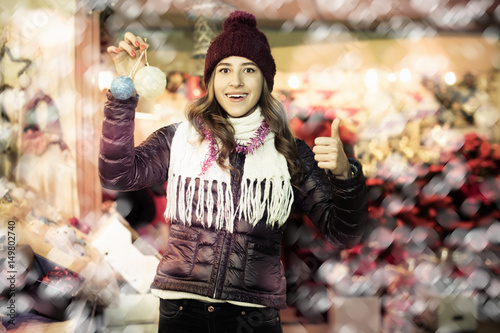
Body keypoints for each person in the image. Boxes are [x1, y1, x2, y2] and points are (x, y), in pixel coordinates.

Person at [99, 10, 368, 333]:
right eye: (224, 69)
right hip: (182, 311)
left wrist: (345, 175)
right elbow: (117, 175)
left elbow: (343, 233)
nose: (236, 81)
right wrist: (121, 96)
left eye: (249, 70)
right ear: (211, 80)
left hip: (252, 318)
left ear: (265, 81)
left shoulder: (289, 152)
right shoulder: (179, 140)